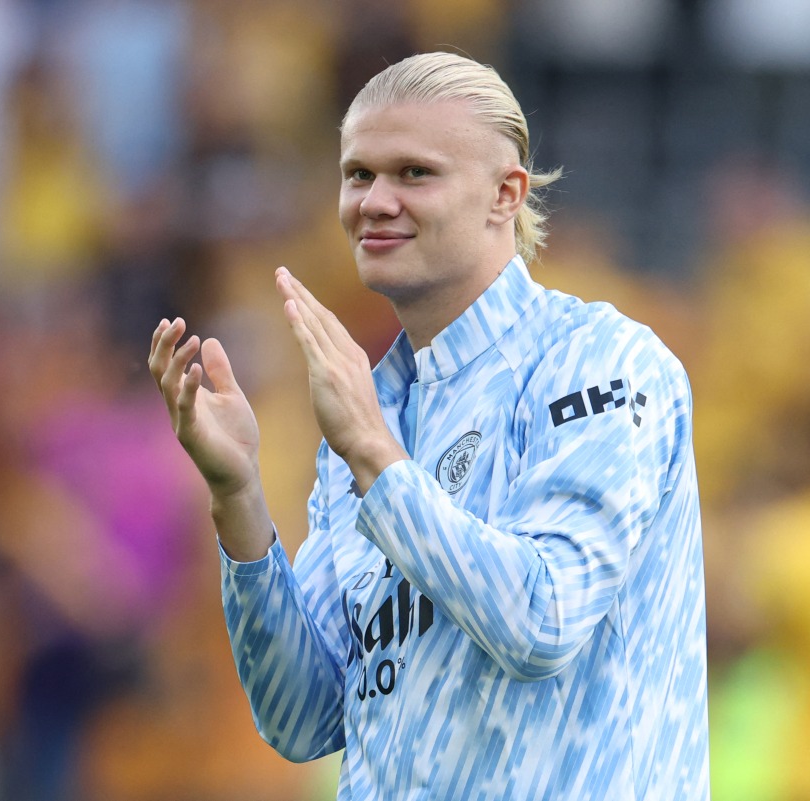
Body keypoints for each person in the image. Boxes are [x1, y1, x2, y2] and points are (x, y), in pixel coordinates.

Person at [149, 51, 709, 800]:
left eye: (415, 173)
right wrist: (239, 496)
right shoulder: (372, 418)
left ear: (504, 194)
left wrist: (377, 460)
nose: (374, 201)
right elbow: (302, 717)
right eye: (358, 174)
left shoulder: (601, 361)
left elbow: (544, 617)